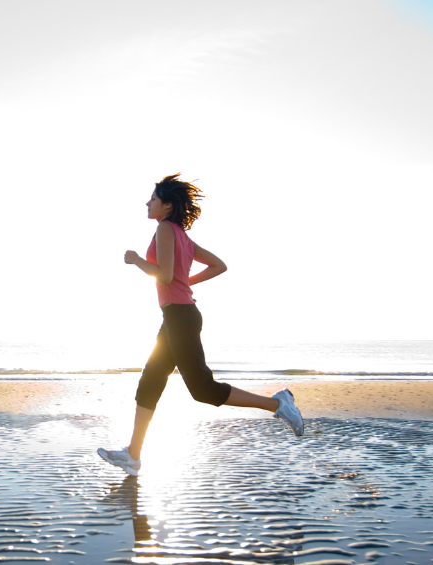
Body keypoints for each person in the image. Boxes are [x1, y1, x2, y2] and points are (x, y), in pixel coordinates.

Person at [98, 174, 305, 477]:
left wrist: (137, 260)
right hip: (177, 316)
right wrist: (186, 282)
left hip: (180, 317)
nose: (147, 203)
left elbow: (165, 276)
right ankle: (133, 455)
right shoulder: (182, 235)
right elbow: (218, 265)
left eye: (153, 199)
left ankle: (277, 404)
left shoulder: (165, 230)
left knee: (203, 389)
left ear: (167, 205)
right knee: (150, 382)